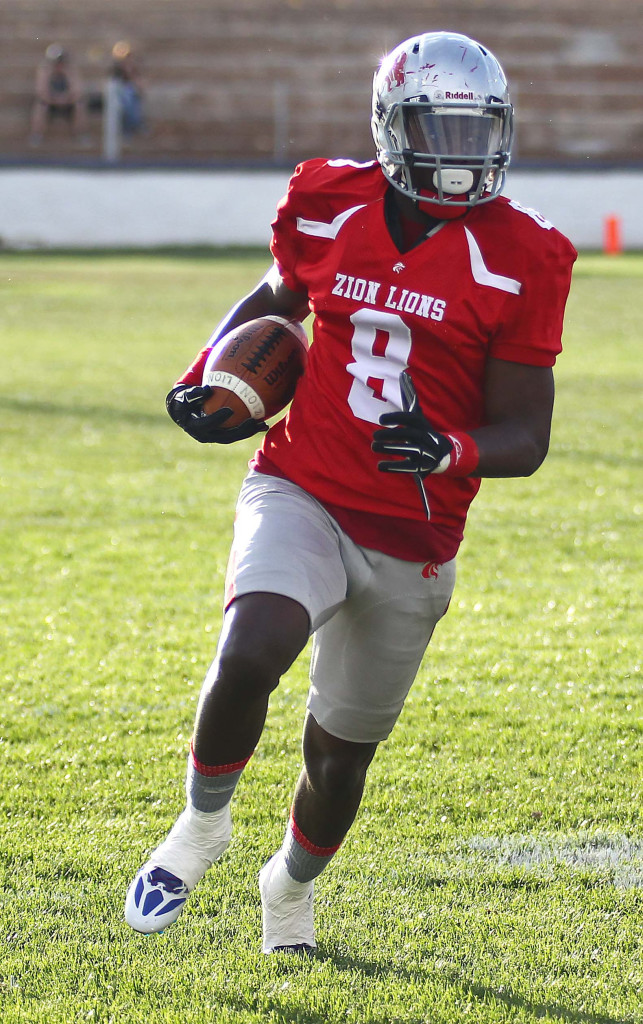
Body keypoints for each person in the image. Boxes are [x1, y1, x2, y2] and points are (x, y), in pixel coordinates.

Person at [124, 31, 576, 953]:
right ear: (389, 125)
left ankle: (287, 886)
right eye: (436, 129)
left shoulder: (524, 255)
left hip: (410, 534)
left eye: (472, 131)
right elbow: (274, 298)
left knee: (336, 759)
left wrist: (447, 447)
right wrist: (206, 375)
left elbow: (525, 438)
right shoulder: (328, 202)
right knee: (251, 647)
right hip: (303, 483)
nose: (458, 155)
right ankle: (199, 827)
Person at [29, 44, 89, 147]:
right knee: (40, 106)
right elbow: (41, 92)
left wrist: (66, 97)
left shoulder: (71, 72)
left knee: (79, 105)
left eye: (61, 62)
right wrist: (54, 99)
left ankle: (81, 134)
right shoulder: (45, 71)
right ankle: (37, 135)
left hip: (68, 103)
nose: (59, 65)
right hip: (50, 103)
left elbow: (77, 92)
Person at [110, 41, 145, 139]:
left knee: (130, 98)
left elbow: (140, 87)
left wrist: (130, 73)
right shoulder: (116, 71)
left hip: (131, 96)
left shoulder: (134, 71)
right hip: (119, 96)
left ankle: (133, 126)